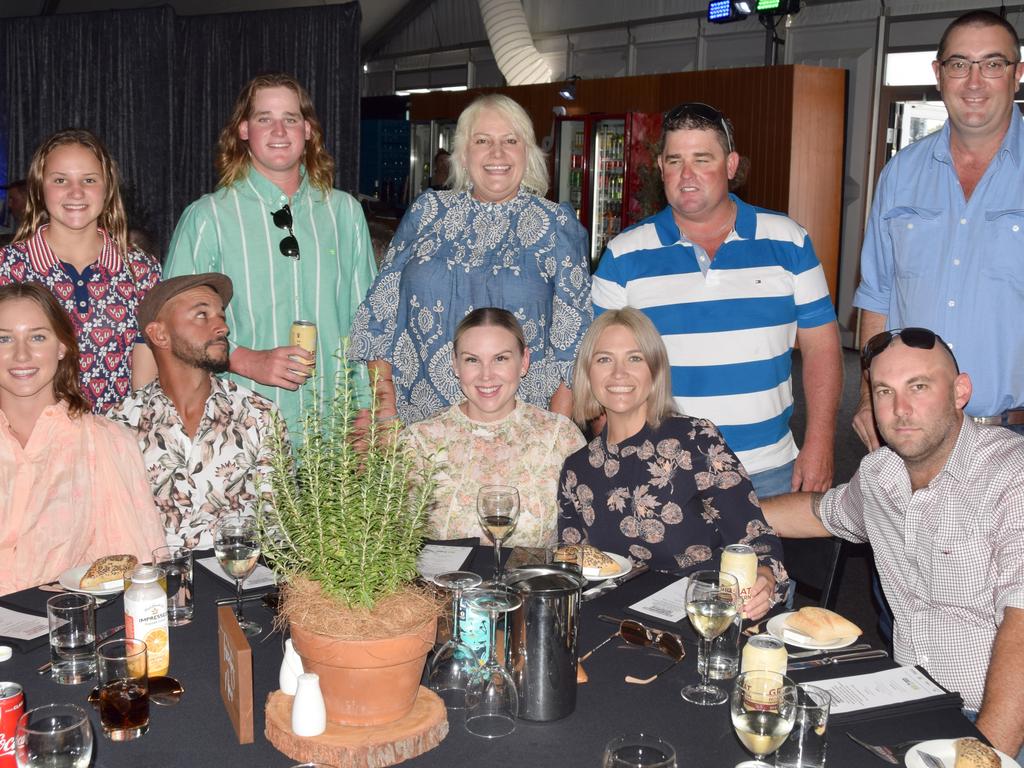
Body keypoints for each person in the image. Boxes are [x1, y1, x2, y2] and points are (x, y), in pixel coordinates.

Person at [761, 327, 1024, 759]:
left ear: (960, 392)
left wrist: (982, 753)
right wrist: (726, 510)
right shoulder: (881, 474)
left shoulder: (1010, 477)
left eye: (918, 387)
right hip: (911, 699)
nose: (900, 409)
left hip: (997, 722)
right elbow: (817, 512)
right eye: (884, 391)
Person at [591, 102, 842, 499]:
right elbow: (599, 366)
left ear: (730, 164)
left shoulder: (788, 241)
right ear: (661, 168)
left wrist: (821, 443)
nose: (686, 175)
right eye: (675, 161)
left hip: (768, 471)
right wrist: (614, 456)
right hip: (661, 470)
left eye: (701, 159)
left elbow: (823, 347)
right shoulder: (623, 256)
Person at [348, 93, 592, 425]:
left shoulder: (556, 226)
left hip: (519, 433)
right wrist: (386, 410)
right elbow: (380, 315)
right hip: (419, 427)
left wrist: (555, 436)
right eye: (482, 140)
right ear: (462, 154)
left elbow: (574, 343)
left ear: (528, 152)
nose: (497, 153)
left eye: (510, 140)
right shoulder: (426, 213)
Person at [165, 73, 377, 436]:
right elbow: (173, 326)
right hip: (238, 430)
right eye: (265, 118)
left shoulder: (345, 213)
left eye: (290, 119)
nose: (279, 131)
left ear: (307, 130)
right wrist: (245, 359)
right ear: (244, 129)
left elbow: (369, 322)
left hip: (333, 433)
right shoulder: (207, 218)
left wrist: (369, 409)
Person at [853, 10, 1024, 447]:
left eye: (993, 64)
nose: (974, 80)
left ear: (1017, 74)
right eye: (959, 64)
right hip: (911, 434)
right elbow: (878, 296)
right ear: (938, 73)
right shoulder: (900, 175)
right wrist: (871, 397)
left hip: (1015, 433)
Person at [557, 308, 788, 620]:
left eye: (635, 358)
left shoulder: (694, 440)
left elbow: (755, 538)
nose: (619, 373)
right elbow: (573, 569)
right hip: (616, 624)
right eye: (604, 359)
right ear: (587, 374)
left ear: (655, 370)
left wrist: (765, 577)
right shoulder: (577, 469)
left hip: (702, 619)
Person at [0, 282, 165, 595]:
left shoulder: (104, 442)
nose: (21, 354)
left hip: (64, 630)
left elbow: (136, 566)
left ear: (62, 346)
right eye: (4, 338)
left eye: (37, 337)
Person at [108, 273, 287, 549]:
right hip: (154, 587)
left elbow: (280, 531)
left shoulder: (258, 416)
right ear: (159, 334)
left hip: (241, 584)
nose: (222, 328)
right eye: (202, 315)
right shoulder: (120, 425)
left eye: (221, 317)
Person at [0, 130, 160, 413]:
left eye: (89, 180)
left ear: (107, 187)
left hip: (114, 443)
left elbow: (144, 388)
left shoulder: (141, 270)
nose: (76, 192)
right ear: (39, 188)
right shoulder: (7, 267)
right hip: (28, 443)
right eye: (60, 180)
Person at [404, 308, 585, 547]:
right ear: (455, 364)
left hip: (535, 583)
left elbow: (588, 536)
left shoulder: (560, 436)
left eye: (501, 358)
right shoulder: (418, 443)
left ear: (524, 361)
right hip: (442, 584)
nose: (486, 376)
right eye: (472, 360)